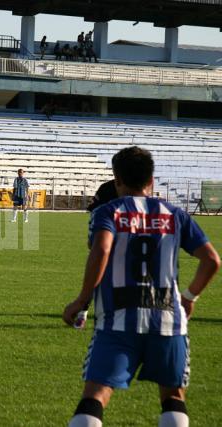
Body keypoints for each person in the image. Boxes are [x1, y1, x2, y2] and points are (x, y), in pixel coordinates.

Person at [63, 146, 220, 427]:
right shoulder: (174, 214)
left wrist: (82, 300)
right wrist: (189, 296)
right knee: (173, 397)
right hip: (168, 319)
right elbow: (211, 260)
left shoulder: (107, 212)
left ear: (117, 180)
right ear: (152, 180)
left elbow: (101, 250)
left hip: (117, 319)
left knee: (94, 397)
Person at [73, 179, 119, 330]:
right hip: (108, 237)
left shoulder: (137, 189)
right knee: (97, 277)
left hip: (124, 243)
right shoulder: (107, 188)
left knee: (99, 278)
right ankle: (83, 314)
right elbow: (94, 210)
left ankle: (84, 314)